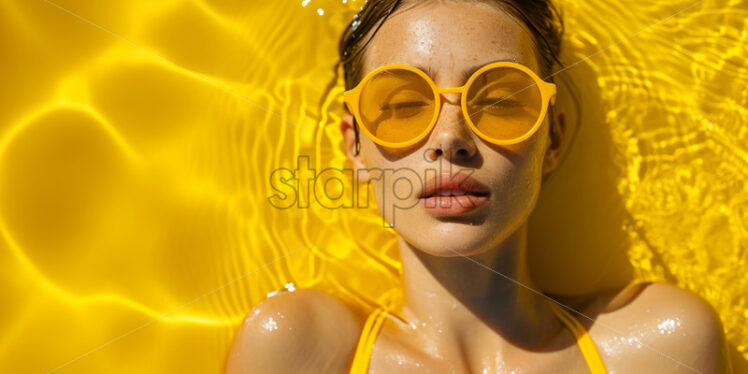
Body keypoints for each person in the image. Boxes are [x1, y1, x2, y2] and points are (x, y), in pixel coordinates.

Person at [226, 0, 732, 372]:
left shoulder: (660, 348)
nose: (451, 138)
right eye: (403, 106)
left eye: (500, 102)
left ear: (551, 138)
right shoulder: (299, 348)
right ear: (354, 146)